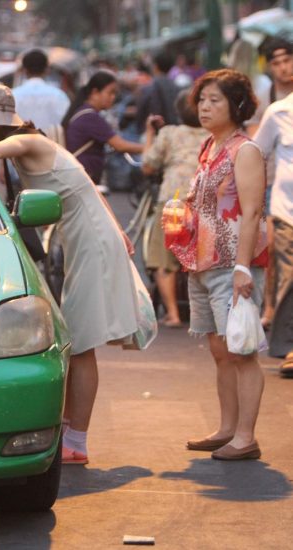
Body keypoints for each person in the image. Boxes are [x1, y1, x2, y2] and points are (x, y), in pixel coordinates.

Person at [0, 82, 147, 465]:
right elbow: (90, 187)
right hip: (86, 238)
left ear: (2, 124)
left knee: (82, 341)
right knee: (75, 338)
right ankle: (70, 428)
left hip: (91, 243)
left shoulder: (28, 143)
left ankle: (77, 440)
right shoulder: (34, 147)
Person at [168, 69, 268, 460]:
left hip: (231, 262)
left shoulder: (245, 150)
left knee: (241, 350)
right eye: (202, 100)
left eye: (215, 100)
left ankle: (246, 436)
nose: (205, 107)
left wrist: (243, 267)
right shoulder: (209, 146)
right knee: (219, 349)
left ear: (236, 106)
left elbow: (252, 210)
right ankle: (228, 428)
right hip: (203, 261)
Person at [141, 90, 209, 327]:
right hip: (204, 201)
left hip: (174, 199)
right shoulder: (214, 135)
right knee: (204, 258)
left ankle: (173, 314)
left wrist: (150, 133)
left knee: (163, 260)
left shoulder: (169, 133)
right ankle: (204, 313)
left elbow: (148, 166)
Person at [245, 38, 293, 329]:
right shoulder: (266, 97)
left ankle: (276, 310)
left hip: (280, 184)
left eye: (287, 60)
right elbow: (255, 144)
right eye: (276, 63)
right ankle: (274, 309)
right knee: (274, 250)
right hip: (270, 184)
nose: (284, 68)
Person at [254, 90, 293, 377]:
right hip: (286, 213)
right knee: (290, 280)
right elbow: (257, 153)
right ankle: (291, 348)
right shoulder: (279, 112)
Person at [62, 70, 143, 195]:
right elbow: (120, 145)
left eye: (115, 93)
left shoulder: (84, 112)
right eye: (110, 93)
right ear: (95, 92)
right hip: (83, 180)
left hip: (80, 179)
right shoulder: (90, 117)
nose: (113, 97)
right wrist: (149, 147)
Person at [12, 48, 70, 130]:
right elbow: (66, 122)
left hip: (19, 141)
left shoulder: (13, 95)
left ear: (24, 70)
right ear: (47, 70)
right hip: (50, 142)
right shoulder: (59, 95)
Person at [134, 50, 180, 134]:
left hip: (155, 133)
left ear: (155, 66)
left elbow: (141, 112)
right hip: (173, 131)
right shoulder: (176, 86)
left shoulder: (149, 87)